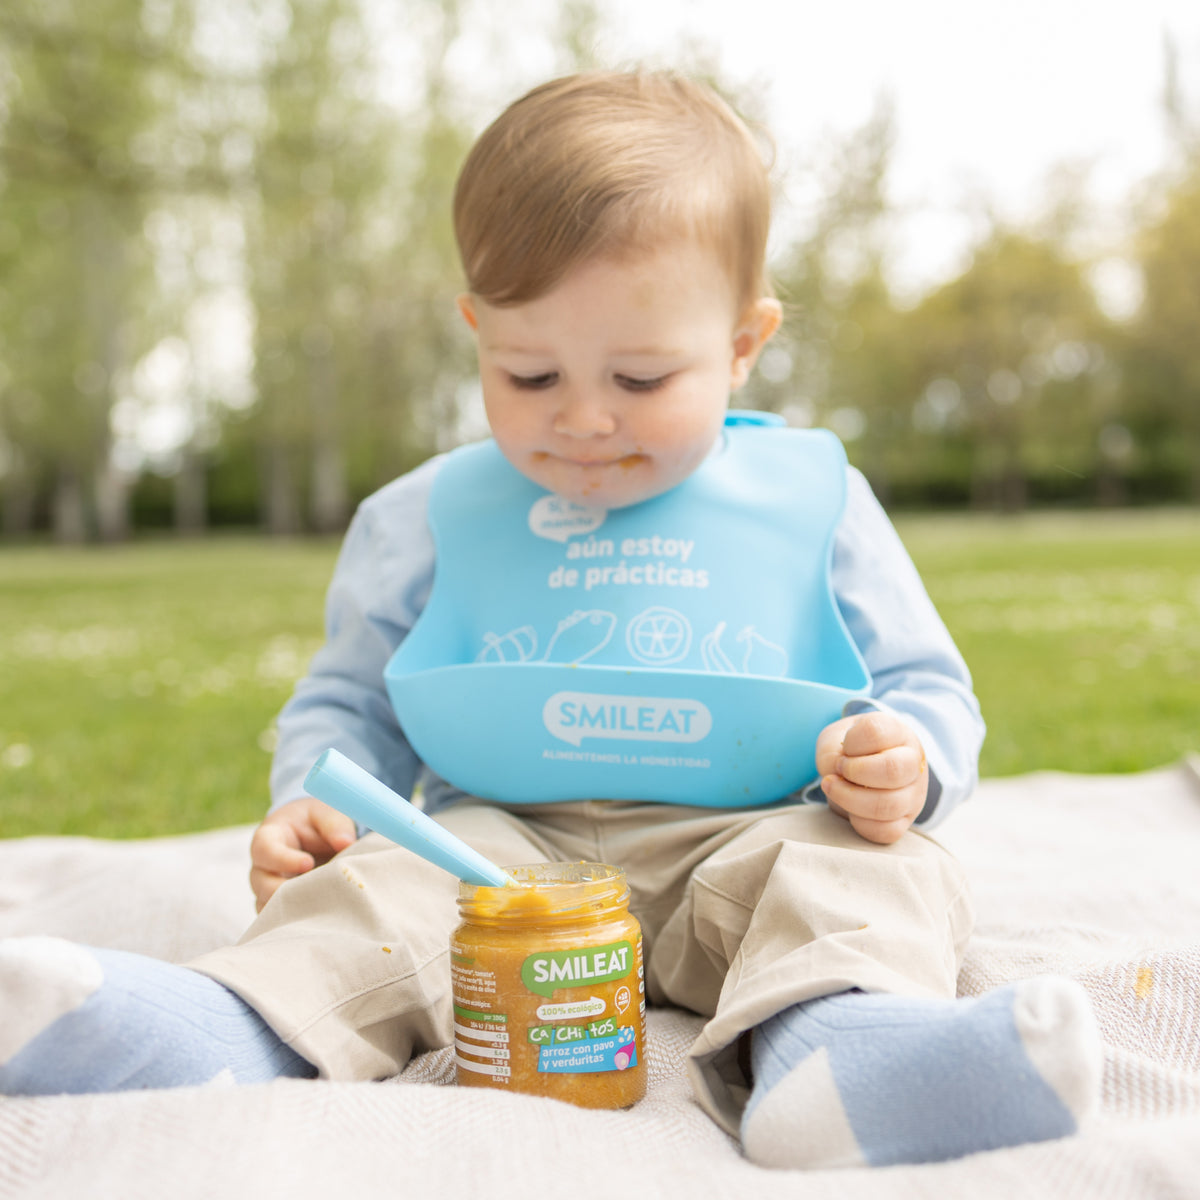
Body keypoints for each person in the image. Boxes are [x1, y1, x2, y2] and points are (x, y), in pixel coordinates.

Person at [0, 70, 1101, 1170]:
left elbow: (924, 686)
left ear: (741, 343)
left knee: (871, 872)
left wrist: (901, 759)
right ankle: (227, 1027)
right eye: (528, 373)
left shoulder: (817, 500)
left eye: (640, 373)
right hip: (491, 852)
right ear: (477, 329)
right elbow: (349, 700)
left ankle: (836, 1054)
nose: (580, 419)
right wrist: (312, 805)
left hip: (751, 835)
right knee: (381, 888)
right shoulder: (422, 517)